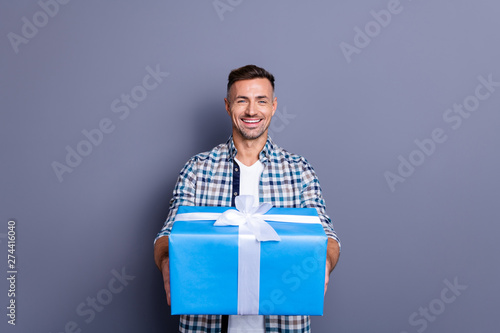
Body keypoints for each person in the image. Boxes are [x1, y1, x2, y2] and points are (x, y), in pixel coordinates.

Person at [154, 64, 340, 333]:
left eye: (261, 101)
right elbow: (167, 233)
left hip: (283, 324)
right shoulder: (197, 168)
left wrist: (325, 260)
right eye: (242, 101)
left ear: (273, 106)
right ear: (228, 106)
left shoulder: (299, 170)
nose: (252, 111)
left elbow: (328, 235)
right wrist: (166, 260)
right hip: (206, 324)